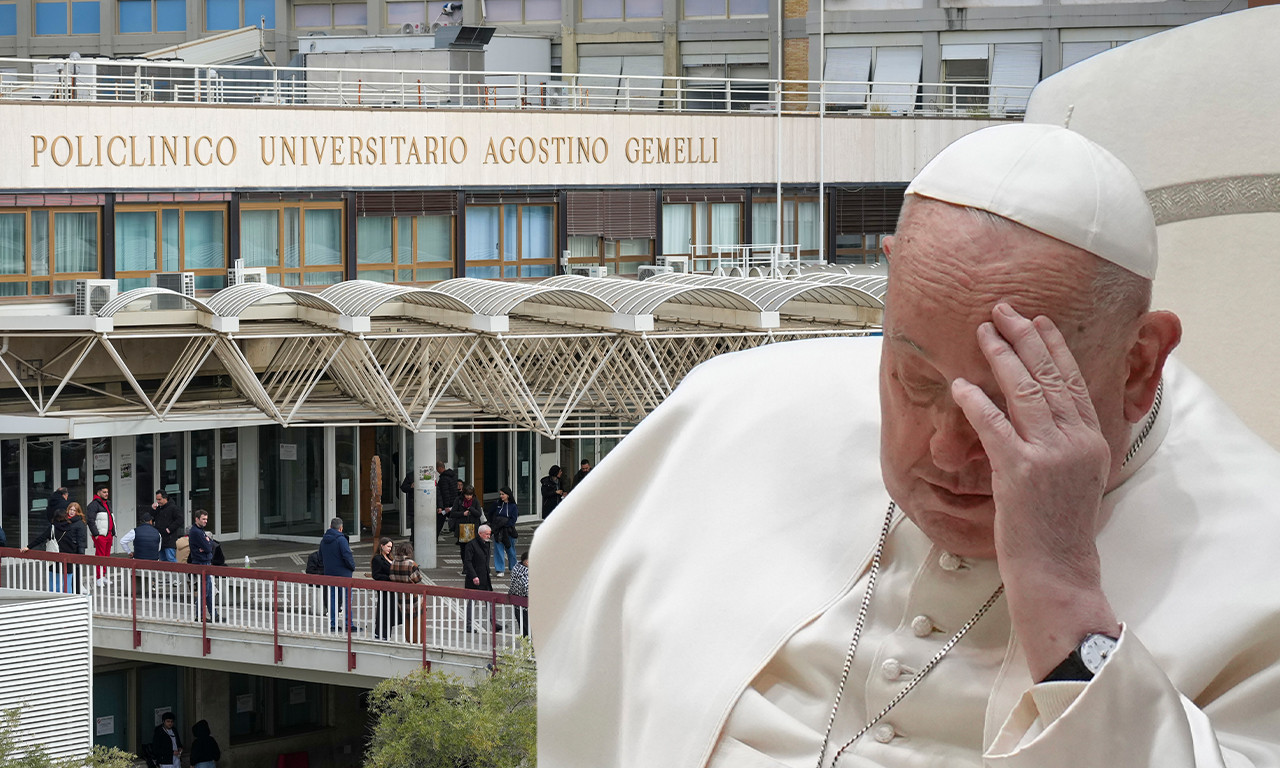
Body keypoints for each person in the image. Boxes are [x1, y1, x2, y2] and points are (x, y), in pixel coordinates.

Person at [530, 123, 1280, 767]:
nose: (948, 452)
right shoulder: (734, 412)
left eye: (1012, 398)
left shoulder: (1261, 553)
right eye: (915, 382)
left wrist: (1064, 594)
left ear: (1139, 363)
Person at [22, 505, 86, 592]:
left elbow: (40, 538)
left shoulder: (52, 528)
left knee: (54, 584)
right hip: (68, 561)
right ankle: (68, 601)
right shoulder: (70, 528)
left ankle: (55, 601)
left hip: (54, 560)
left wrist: (28, 547)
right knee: (67, 585)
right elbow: (73, 545)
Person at [320, 517, 359, 632]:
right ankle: (348, 623)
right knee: (347, 599)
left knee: (332, 599)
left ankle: (333, 624)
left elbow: (320, 556)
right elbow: (347, 556)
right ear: (341, 528)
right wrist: (352, 567)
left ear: (330, 527)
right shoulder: (341, 540)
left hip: (329, 573)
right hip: (344, 574)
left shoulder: (323, 540)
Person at [463, 524, 496, 632]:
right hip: (475, 578)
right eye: (486, 534)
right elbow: (467, 562)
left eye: (489, 534)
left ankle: (493, 622)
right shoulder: (471, 545)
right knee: (472, 602)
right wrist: (474, 576)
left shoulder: (486, 544)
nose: (488, 536)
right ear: (480, 533)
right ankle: (469, 625)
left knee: (489, 600)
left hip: (485, 577)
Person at [389, 542, 423, 642]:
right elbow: (417, 578)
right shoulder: (411, 563)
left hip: (400, 595)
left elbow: (391, 577)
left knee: (406, 619)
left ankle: (408, 640)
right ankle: (417, 641)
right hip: (412, 595)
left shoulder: (393, 562)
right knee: (416, 620)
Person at [188, 510, 216, 621]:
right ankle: (199, 615)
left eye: (206, 519)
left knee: (208, 592)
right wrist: (208, 543)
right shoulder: (197, 532)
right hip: (201, 563)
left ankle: (214, 614)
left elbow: (209, 545)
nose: (205, 521)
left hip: (204, 562)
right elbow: (209, 547)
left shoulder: (199, 531)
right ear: (197, 519)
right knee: (204, 591)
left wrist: (207, 543)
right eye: (203, 519)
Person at [448, 484, 483, 571]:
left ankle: (471, 565)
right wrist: (462, 513)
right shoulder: (458, 500)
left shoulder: (475, 501)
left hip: (473, 527)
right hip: (462, 527)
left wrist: (471, 509)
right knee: (463, 548)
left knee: (472, 547)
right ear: (464, 494)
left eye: (470, 495)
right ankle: (465, 565)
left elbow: (479, 513)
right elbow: (453, 513)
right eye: (467, 495)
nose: (468, 497)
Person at [370, 537, 399, 640]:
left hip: (392, 589)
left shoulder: (390, 558)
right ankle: (381, 633)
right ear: (381, 546)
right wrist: (390, 578)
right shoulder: (377, 559)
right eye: (388, 546)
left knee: (390, 611)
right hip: (384, 588)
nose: (389, 549)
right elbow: (376, 575)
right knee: (384, 610)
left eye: (391, 547)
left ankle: (386, 634)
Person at [85, 484, 114, 586]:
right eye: (104, 492)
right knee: (100, 556)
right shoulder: (93, 505)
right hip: (101, 535)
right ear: (98, 493)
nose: (106, 494)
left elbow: (110, 518)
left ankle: (103, 576)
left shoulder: (107, 503)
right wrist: (96, 534)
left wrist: (113, 532)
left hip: (108, 534)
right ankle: (99, 578)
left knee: (106, 556)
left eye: (107, 492)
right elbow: (90, 520)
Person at [488, 486, 519, 577]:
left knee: (510, 550)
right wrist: (494, 524)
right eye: (500, 494)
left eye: (503, 494)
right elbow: (490, 514)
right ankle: (500, 569)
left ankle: (513, 567)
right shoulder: (497, 504)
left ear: (508, 495)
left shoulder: (513, 506)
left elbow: (514, 519)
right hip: (498, 530)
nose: (501, 496)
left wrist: (505, 524)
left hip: (508, 530)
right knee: (498, 549)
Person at [152, 490, 183, 562]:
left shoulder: (173, 508)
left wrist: (169, 529)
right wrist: (153, 510)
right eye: (157, 500)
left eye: (159, 499)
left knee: (170, 558)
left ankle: (177, 572)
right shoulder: (159, 509)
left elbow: (180, 519)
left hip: (169, 539)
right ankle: (167, 573)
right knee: (162, 559)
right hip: (160, 539)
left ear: (165, 498)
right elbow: (152, 518)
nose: (158, 502)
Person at [508, 550, 530, 638]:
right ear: (527, 562)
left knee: (524, 628)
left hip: (517, 603)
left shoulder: (516, 568)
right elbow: (527, 588)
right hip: (526, 605)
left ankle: (527, 647)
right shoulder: (526, 572)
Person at [436, 462, 459, 537]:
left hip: (447, 504)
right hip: (453, 501)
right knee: (455, 519)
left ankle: (434, 537)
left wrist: (445, 506)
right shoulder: (452, 476)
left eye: (437, 468)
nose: (436, 470)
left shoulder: (443, 479)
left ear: (440, 468)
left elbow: (445, 493)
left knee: (439, 522)